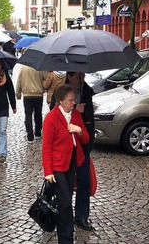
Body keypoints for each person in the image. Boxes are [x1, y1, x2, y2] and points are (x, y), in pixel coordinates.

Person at [42, 84, 90, 244]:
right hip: (57, 167)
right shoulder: (51, 118)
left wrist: (79, 131)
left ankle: (62, 228)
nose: (74, 102)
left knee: (66, 200)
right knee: (66, 204)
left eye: (74, 99)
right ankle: (65, 239)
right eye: (70, 100)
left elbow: (86, 139)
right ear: (61, 101)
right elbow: (46, 147)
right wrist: (48, 171)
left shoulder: (75, 115)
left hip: (72, 164)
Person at [66, 71, 96, 231]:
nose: (82, 79)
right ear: (70, 76)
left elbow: (91, 118)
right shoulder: (61, 92)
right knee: (67, 183)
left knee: (84, 182)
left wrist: (90, 141)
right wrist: (73, 109)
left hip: (83, 145)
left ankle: (82, 216)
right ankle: (64, 215)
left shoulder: (87, 92)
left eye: (83, 75)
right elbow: (53, 114)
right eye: (79, 76)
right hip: (66, 146)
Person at [15, 65, 47, 143]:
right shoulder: (40, 66)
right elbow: (46, 79)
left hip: (27, 95)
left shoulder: (23, 68)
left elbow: (19, 81)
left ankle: (30, 136)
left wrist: (18, 94)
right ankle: (38, 133)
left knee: (28, 115)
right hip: (38, 94)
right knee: (38, 114)